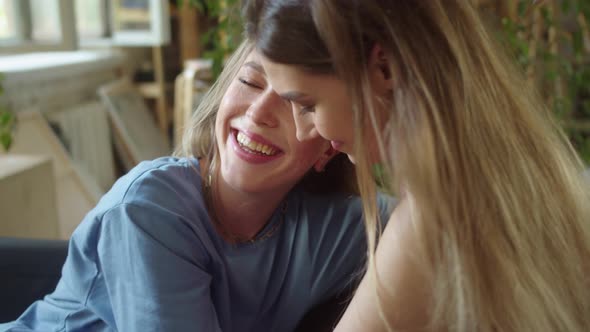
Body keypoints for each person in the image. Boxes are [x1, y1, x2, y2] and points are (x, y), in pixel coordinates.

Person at [243, 1, 590, 331]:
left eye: (307, 105)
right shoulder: (532, 174)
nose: (305, 132)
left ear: (385, 67)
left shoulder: (428, 226)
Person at [0, 41, 391, 332]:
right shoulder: (148, 209)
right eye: (251, 82)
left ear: (331, 146)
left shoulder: (327, 229)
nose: (258, 113)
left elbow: (438, 218)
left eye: (296, 103)